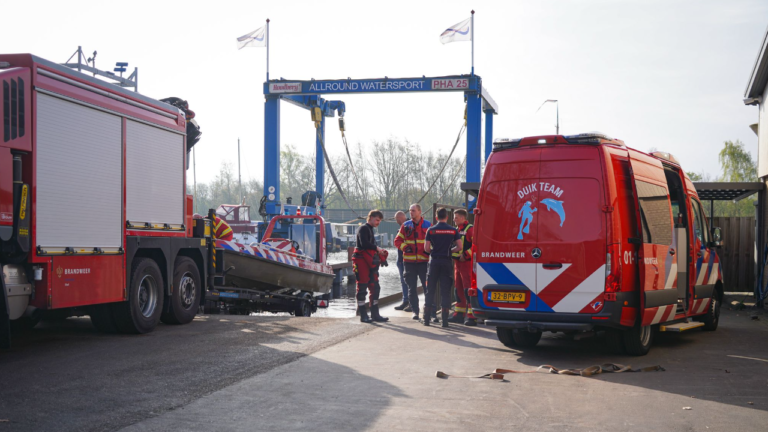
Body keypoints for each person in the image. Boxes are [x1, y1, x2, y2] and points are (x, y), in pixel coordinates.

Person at [423, 207, 461, 327]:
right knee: (445, 291)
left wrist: (434, 252)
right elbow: (459, 247)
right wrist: (450, 251)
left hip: (434, 262)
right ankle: (444, 321)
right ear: (447, 217)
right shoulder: (453, 230)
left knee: (430, 290)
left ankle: (427, 320)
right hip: (446, 262)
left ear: (436, 217)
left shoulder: (431, 230)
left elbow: (426, 248)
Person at [394, 204, 431, 321]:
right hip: (409, 263)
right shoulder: (405, 226)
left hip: (424, 263)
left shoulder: (428, 225)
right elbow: (397, 241)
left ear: (420, 211)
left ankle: (428, 312)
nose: (411, 213)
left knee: (427, 288)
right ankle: (415, 312)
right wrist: (405, 247)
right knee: (412, 289)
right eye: (410, 211)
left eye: (413, 211)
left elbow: (434, 241)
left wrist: (430, 251)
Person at [352, 210, 388, 323]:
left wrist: (379, 253)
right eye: (377, 220)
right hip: (361, 261)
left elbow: (369, 245)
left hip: (369, 262)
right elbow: (364, 244)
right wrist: (377, 249)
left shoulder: (370, 230)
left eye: (380, 221)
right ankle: (363, 314)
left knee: (375, 287)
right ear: (371, 217)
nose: (378, 222)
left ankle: (375, 313)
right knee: (362, 288)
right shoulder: (363, 229)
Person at [451, 209, 476, 326]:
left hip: (467, 264)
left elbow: (477, 245)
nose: (454, 220)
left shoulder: (470, 229)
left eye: (456, 218)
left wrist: (466, 255)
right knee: (458, 289)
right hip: (457, 264)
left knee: (467, 289)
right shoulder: (457, 230)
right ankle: (459, 315)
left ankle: (472, 316)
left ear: (462, 218)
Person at [393, 211, 411, 311]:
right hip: (402, 258)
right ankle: (406, 300)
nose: (396, 222)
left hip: (406, 259)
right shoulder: (405, 227)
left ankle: (408, 301)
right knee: (404, 281)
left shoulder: (407, 227)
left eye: (397, 219)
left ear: (400, 218)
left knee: (406, 281)